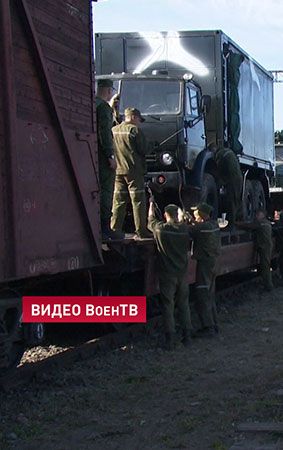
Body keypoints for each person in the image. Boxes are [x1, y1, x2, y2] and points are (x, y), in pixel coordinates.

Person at [148, 202, 192, 348]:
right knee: (184, 304)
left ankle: (170, 338)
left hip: (168, 274)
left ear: (166, 215)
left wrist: (151, 206)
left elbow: (151, 222)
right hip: (182, 273)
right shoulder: (184, 230)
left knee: (168, 305)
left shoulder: (162, 230)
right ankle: (187, 335)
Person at [111, 107, 151, 239]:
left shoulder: (114, 130)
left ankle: (114, 229)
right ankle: (141, 231)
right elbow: (143, 149)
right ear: (133, 117)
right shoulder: (134, 131)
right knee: (138, 201)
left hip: (117, 171)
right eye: (139, 119)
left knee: (119, 201)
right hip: (133, 171)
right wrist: (152, 146)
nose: (139, 122)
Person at [187, 203, 221, 337]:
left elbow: (187, 230)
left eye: (196, 212)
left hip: (205, 264)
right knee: (209, 293)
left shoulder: (202, 228)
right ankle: (214, 323)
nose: (194, 214)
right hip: (212, 262)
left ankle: (208, 327)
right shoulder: (213, 225)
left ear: (201, 214)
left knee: (202, 294)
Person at [96, 79, 122, 240]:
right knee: (106, 191)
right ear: (108, 91)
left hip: (93, 155)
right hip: (103, 157)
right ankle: (105, 228)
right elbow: (105, 132)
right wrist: (110, 156)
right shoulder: (104, 108)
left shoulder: (93, 104)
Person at [239, 210, 274, 292]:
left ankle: (268, 286)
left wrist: (238, 223)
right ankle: (266, 283)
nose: (256, 216)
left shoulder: (260, 223)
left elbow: (249, 226)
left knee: (265, 266)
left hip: (264, 247)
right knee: (265, 265)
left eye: (258, 214)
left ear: (262, 215)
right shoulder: (267, 223)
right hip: (266, 246)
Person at [208, 144, 243, 221]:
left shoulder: (220, 154)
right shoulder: (227, 151)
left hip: (232, 180)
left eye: (211, 151)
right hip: (237, 178)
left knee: (231, 201)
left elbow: (220, 170)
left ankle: (232, 223)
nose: (212, 153)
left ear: (214, 148)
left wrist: (218, 182)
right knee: (236, 200)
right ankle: (238, 220)